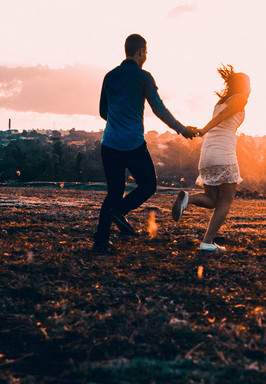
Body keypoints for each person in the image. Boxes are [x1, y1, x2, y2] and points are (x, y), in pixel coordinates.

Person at [94, 34, 198, 253]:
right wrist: (182, 129)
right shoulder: (144, 77)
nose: (146, 56)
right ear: (141, 52)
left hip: (110, 143)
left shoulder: (110, 76)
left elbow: (103, 111)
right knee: (148, 185)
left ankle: (100, 242)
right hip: (133, 144)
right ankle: (120, 211)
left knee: (114, 192)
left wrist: (118, 119)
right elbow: (158, 108)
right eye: (146, 52)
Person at [171, 64, 249, 251]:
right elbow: (222, 117)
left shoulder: (221, 101)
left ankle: (187, 199)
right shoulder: (240, 99)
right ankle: (207, 242)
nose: (251, 88)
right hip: (223, 153)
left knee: (213, 199)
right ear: (243, 85)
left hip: (207, 153)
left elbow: (221, 115)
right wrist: (203, 129)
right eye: (249, 84)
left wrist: (205, 132)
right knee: (226, 200)